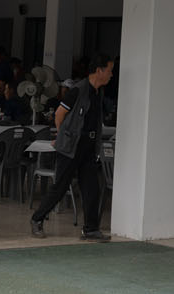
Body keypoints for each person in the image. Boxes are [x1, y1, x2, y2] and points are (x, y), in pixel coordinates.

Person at [30, 54, 114, 242]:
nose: (111, 74)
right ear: (99, 70)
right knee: (60, 187)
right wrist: (62, 136)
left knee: (92, 188)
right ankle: (37, 219)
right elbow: (59, 114)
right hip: (71, 147)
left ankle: (91, 229)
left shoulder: (98, 92)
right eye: (109, 70)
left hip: (88, 148)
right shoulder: (78, 90)